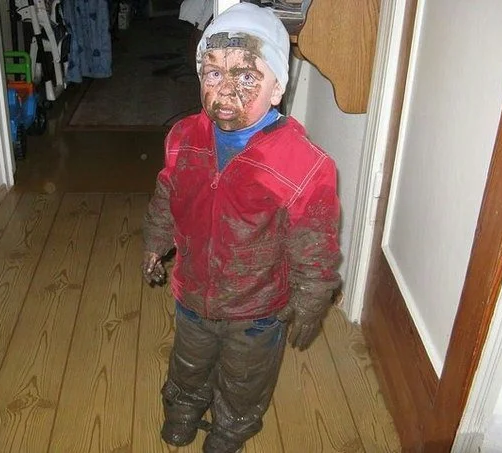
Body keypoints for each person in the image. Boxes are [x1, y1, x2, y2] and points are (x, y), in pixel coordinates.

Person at [142, 3, 341, 452]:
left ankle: (231, 428)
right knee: (188, 362)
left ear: (277, 88)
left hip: (258, 307)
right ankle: (182, 409)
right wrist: (155, 241)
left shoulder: (301, 163)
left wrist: (312, 296)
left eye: (247, 76)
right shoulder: (184, 137)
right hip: (194, 292)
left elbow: (315, 241)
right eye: (213, 73)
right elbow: (167, 195)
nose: (226, 88)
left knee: (245, 378)